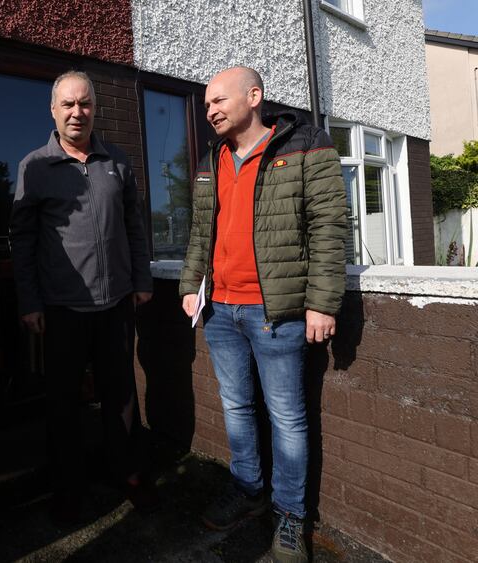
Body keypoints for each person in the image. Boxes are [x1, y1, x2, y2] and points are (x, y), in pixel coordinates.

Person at [179, 66, 347, 563]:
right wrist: (191, 284)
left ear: (254, 97)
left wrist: (322, 301)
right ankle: (248, 488)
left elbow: (329, 225)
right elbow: (199, 231)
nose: (209, 109)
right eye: (206, 102)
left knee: (288, 418)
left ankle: (291, 515)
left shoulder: (306, 146)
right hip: (221, 311)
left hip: (278, 313)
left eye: (218, 99)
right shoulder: (213, 159)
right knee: (236, 406)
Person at [9, 70, 157, 523]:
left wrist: (143, 279)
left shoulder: (117, 161)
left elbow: (134, 225)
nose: (78, 112)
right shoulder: (35, 166)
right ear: (53, 110)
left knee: (121, 396)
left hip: (115, 303)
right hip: (61, 307)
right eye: (69, 104)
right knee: (63, 403)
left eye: (85, 104)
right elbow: (23, 240)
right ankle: (68, 488)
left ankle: (126, 473)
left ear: (95, 108)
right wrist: (30, 301)